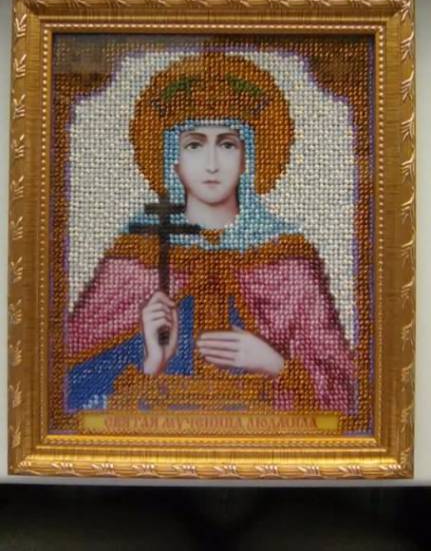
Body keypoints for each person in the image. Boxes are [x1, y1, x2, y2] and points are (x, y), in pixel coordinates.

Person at [67, 52, 355, 415]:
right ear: (173, 160)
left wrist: (275, 364)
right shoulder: (135, 263)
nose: (212, 164)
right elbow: (70, 397)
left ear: (247, 158)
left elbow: (346, 398)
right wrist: (153, 362)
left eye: (227, 144)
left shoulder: (288, 264)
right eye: (194, 144)